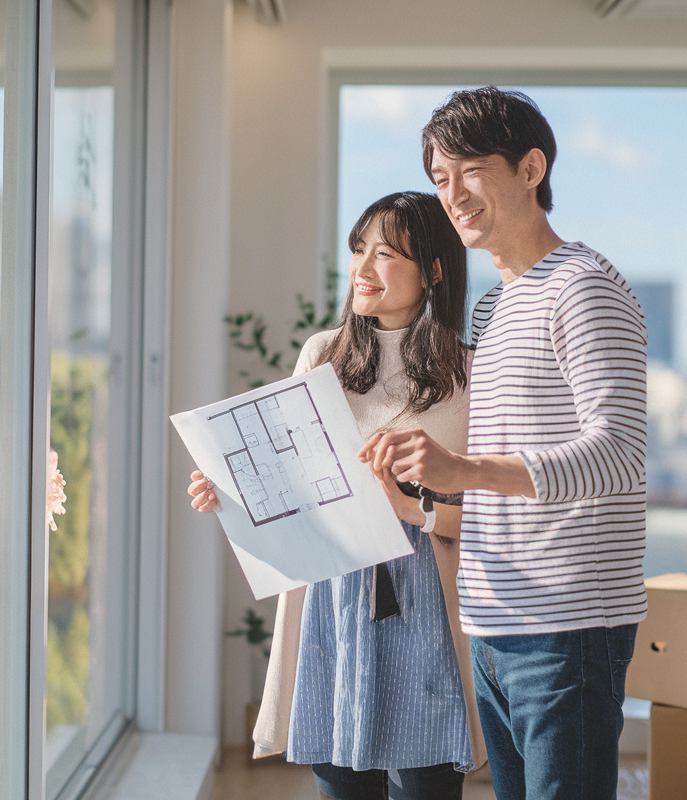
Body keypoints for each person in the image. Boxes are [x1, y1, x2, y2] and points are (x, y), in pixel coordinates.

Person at [359, 87, 648, 800]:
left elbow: (618, 454)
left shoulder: (583, 289)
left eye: (471, 171)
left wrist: (461, 467)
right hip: (490, 620)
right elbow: (499, 470)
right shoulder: (492, 306)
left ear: (530, 169)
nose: (452, 194)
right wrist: (422, 499)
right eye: (439, 177)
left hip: (567, 626)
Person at [190, 192, 487, 800]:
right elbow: (292, 482)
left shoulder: (467, 371)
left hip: (424, 597)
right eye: (358, 251)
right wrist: (229, 488)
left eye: (384, 253)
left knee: (425, 782)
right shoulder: (323, 355)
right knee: (341, 781)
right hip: (334, 594)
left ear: (433, 269)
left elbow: (486, 513)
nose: (362, 268)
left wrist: (409, 504)